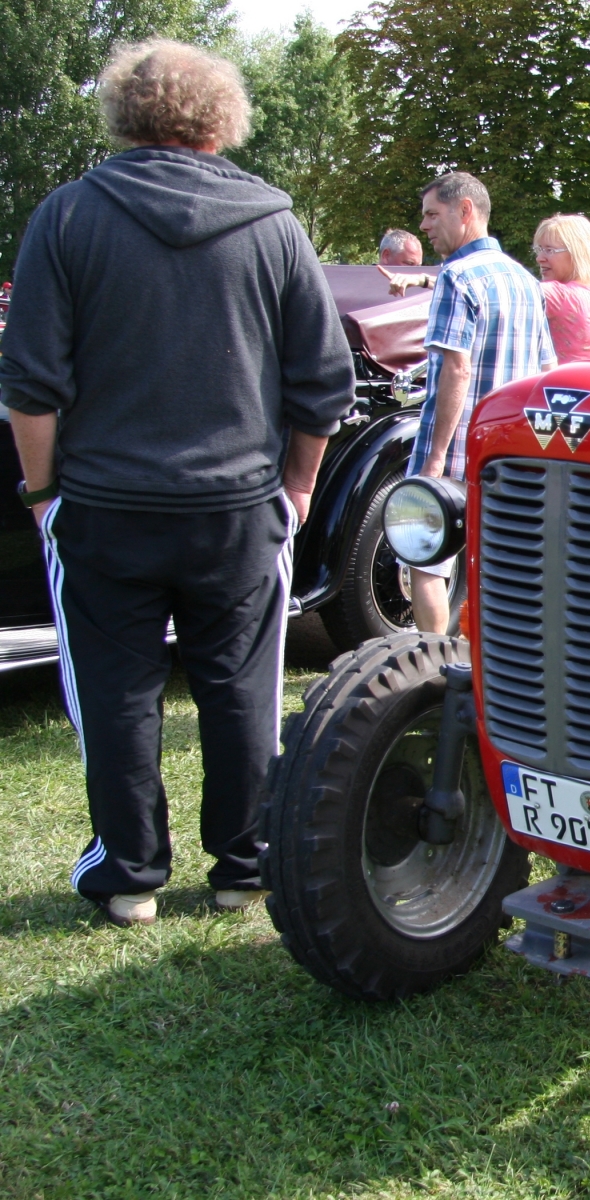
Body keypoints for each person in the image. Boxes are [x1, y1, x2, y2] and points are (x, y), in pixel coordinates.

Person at [0, 40, 353, 927]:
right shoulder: (274, 223)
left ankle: (128, 875)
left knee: (116, 690)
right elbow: (323, 380)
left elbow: (30, 384)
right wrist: (299, 489)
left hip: (105, 507)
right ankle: (245, 864)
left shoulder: (69, 215)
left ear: (123, 109)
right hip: (237, 508)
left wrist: (42, 493)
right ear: (220, 114)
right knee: (241, 686)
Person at [406, 171, 556, 633]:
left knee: (426, 564)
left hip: (455, 452)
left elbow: (456, 369)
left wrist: (432, 461)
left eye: (433, 214)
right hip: (509, 456)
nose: (425, 226)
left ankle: (432, 675)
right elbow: (547, 375)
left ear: (465, 211)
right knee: (497, 574)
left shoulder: (455, 276)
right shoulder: (526, 281)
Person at [533, 213, 590, 362]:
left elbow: (514, 290)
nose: (539, 258)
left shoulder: (559, 296)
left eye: (549, 250)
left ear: (576, 253)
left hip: (560, 385)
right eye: (539, 249)